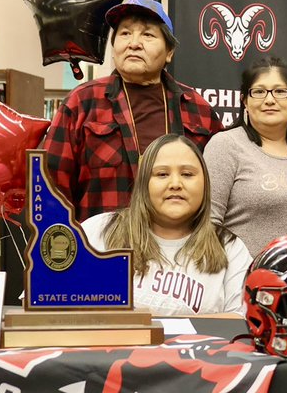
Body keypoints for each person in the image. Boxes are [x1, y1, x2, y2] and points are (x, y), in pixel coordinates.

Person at [42, 0, 223, 221]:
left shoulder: (198, 109)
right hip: (101, 250)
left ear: (169, 53)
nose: (134, 43)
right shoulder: (82, 102)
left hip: (179, 249)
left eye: (148, 35)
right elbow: (52, 189)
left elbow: (218, 189)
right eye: (125, 33)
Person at [81, 134, 251, 315]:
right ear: (143, 183)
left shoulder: (229, 248)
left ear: (205, 184)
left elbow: (241, 324)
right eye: (162, 174)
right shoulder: (98, 232)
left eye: (187, 174)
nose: (175, 184)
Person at [203, 57, 287, 257]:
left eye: (280, 91)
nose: (269, 100)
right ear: (245, 101)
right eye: (259, 92)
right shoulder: (225, 145)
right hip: (244, 280)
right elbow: (207, 224)